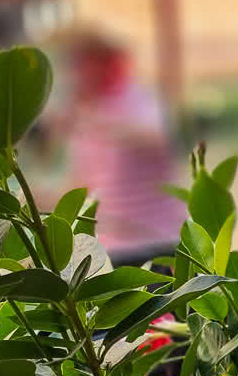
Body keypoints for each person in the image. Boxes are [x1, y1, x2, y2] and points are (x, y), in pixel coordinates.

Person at [52, 25, 185, 253]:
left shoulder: (138, 99)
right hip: (109, 248)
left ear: (105, 63)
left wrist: (93, 122)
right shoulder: (81, 114)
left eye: (82, 62)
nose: (74, 72)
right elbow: (84, 186)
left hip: (157, 241)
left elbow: (157, 138)